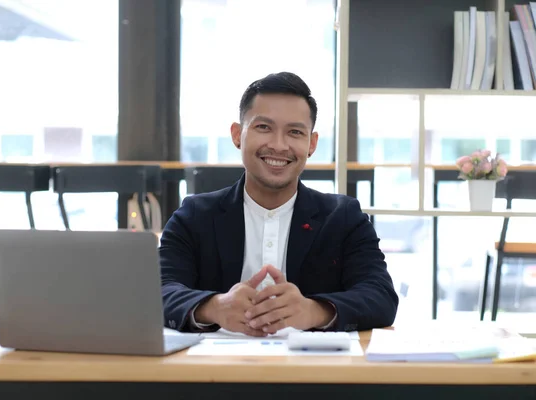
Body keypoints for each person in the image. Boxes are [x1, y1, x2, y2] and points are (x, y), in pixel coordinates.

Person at [159, 72, 398, 336]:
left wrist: (313, 311)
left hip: (313, 370)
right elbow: (157, 289)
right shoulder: (194, 216)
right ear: (237, 134)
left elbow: (380, 296)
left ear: (312, 143)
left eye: (295, 132)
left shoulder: (343, 218)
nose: (278, 145)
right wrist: (213, 307)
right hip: (215, 369)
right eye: (264, 127)